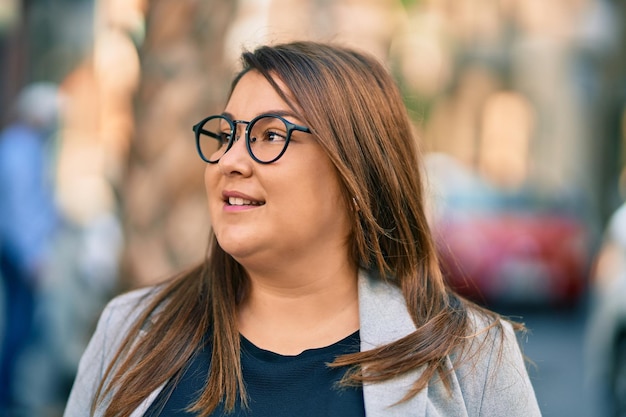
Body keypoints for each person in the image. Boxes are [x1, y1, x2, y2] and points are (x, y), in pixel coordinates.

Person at [63, 41, 541, 417]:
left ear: (357, 173)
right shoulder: (132, 330)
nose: (230, 161)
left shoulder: (473, 356)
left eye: (270, 135)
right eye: (226, 134)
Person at [0, 82, 61, 409]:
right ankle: (6, 395)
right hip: (19, 251)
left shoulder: (24, 145)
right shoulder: (20, 148)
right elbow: (21, 207)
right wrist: (34, 257)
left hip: (17, 248)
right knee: (20, 326)